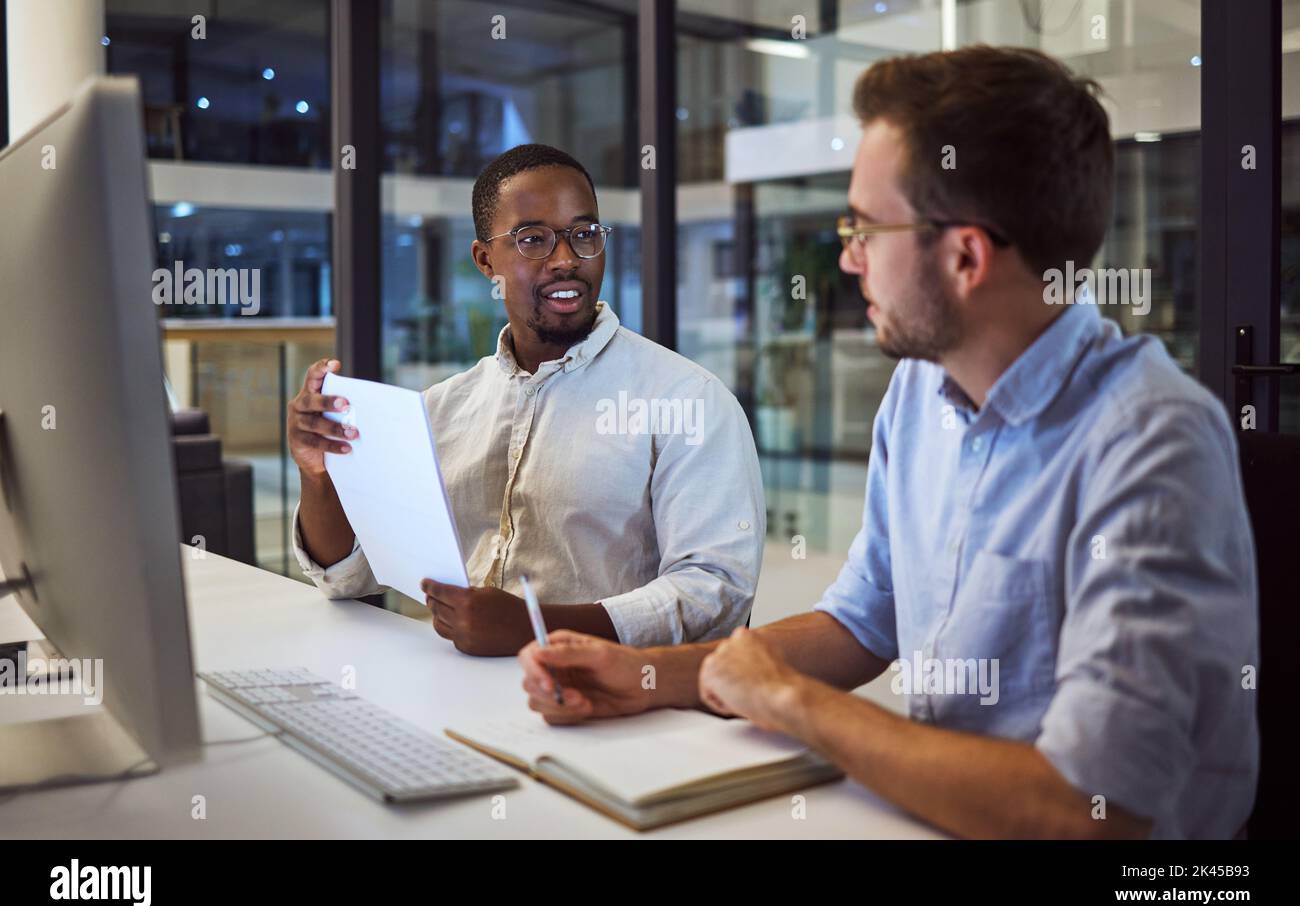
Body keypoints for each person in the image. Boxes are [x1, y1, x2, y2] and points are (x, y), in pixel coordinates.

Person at [517, 47, 1259, 839]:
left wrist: (795, 703)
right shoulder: (920, 391)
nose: (846, 257)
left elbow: (1082, 810)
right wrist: (646, 674)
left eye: (867, 227)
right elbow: (864, 621)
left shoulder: (1152, 440)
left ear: (966, 255)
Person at [289, 144, 764, 657]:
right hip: (454, 694)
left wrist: (537, 627)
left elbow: (716, 593)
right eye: (533, 239)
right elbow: (350, 577)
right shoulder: (441, 410)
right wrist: (319, 478)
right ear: (484, 259)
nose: (566, 260)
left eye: (584, 235)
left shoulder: (688, 401)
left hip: (617, 713)